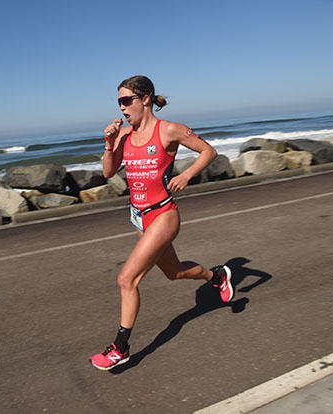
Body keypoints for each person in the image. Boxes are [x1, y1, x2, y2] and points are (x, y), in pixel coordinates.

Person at [89, 75, 234, 371]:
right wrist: (109, 144)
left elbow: (209, 151)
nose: (122, 108)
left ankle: (120, 347)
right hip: (139, 217)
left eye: (126, 100)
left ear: (145, 99)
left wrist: (186, 175)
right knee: (174, 272)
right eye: (119, 102)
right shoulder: (123, 135)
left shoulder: (169, 130)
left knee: (127, 279)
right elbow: (108, 172)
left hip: (164, 215)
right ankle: (217, 275)